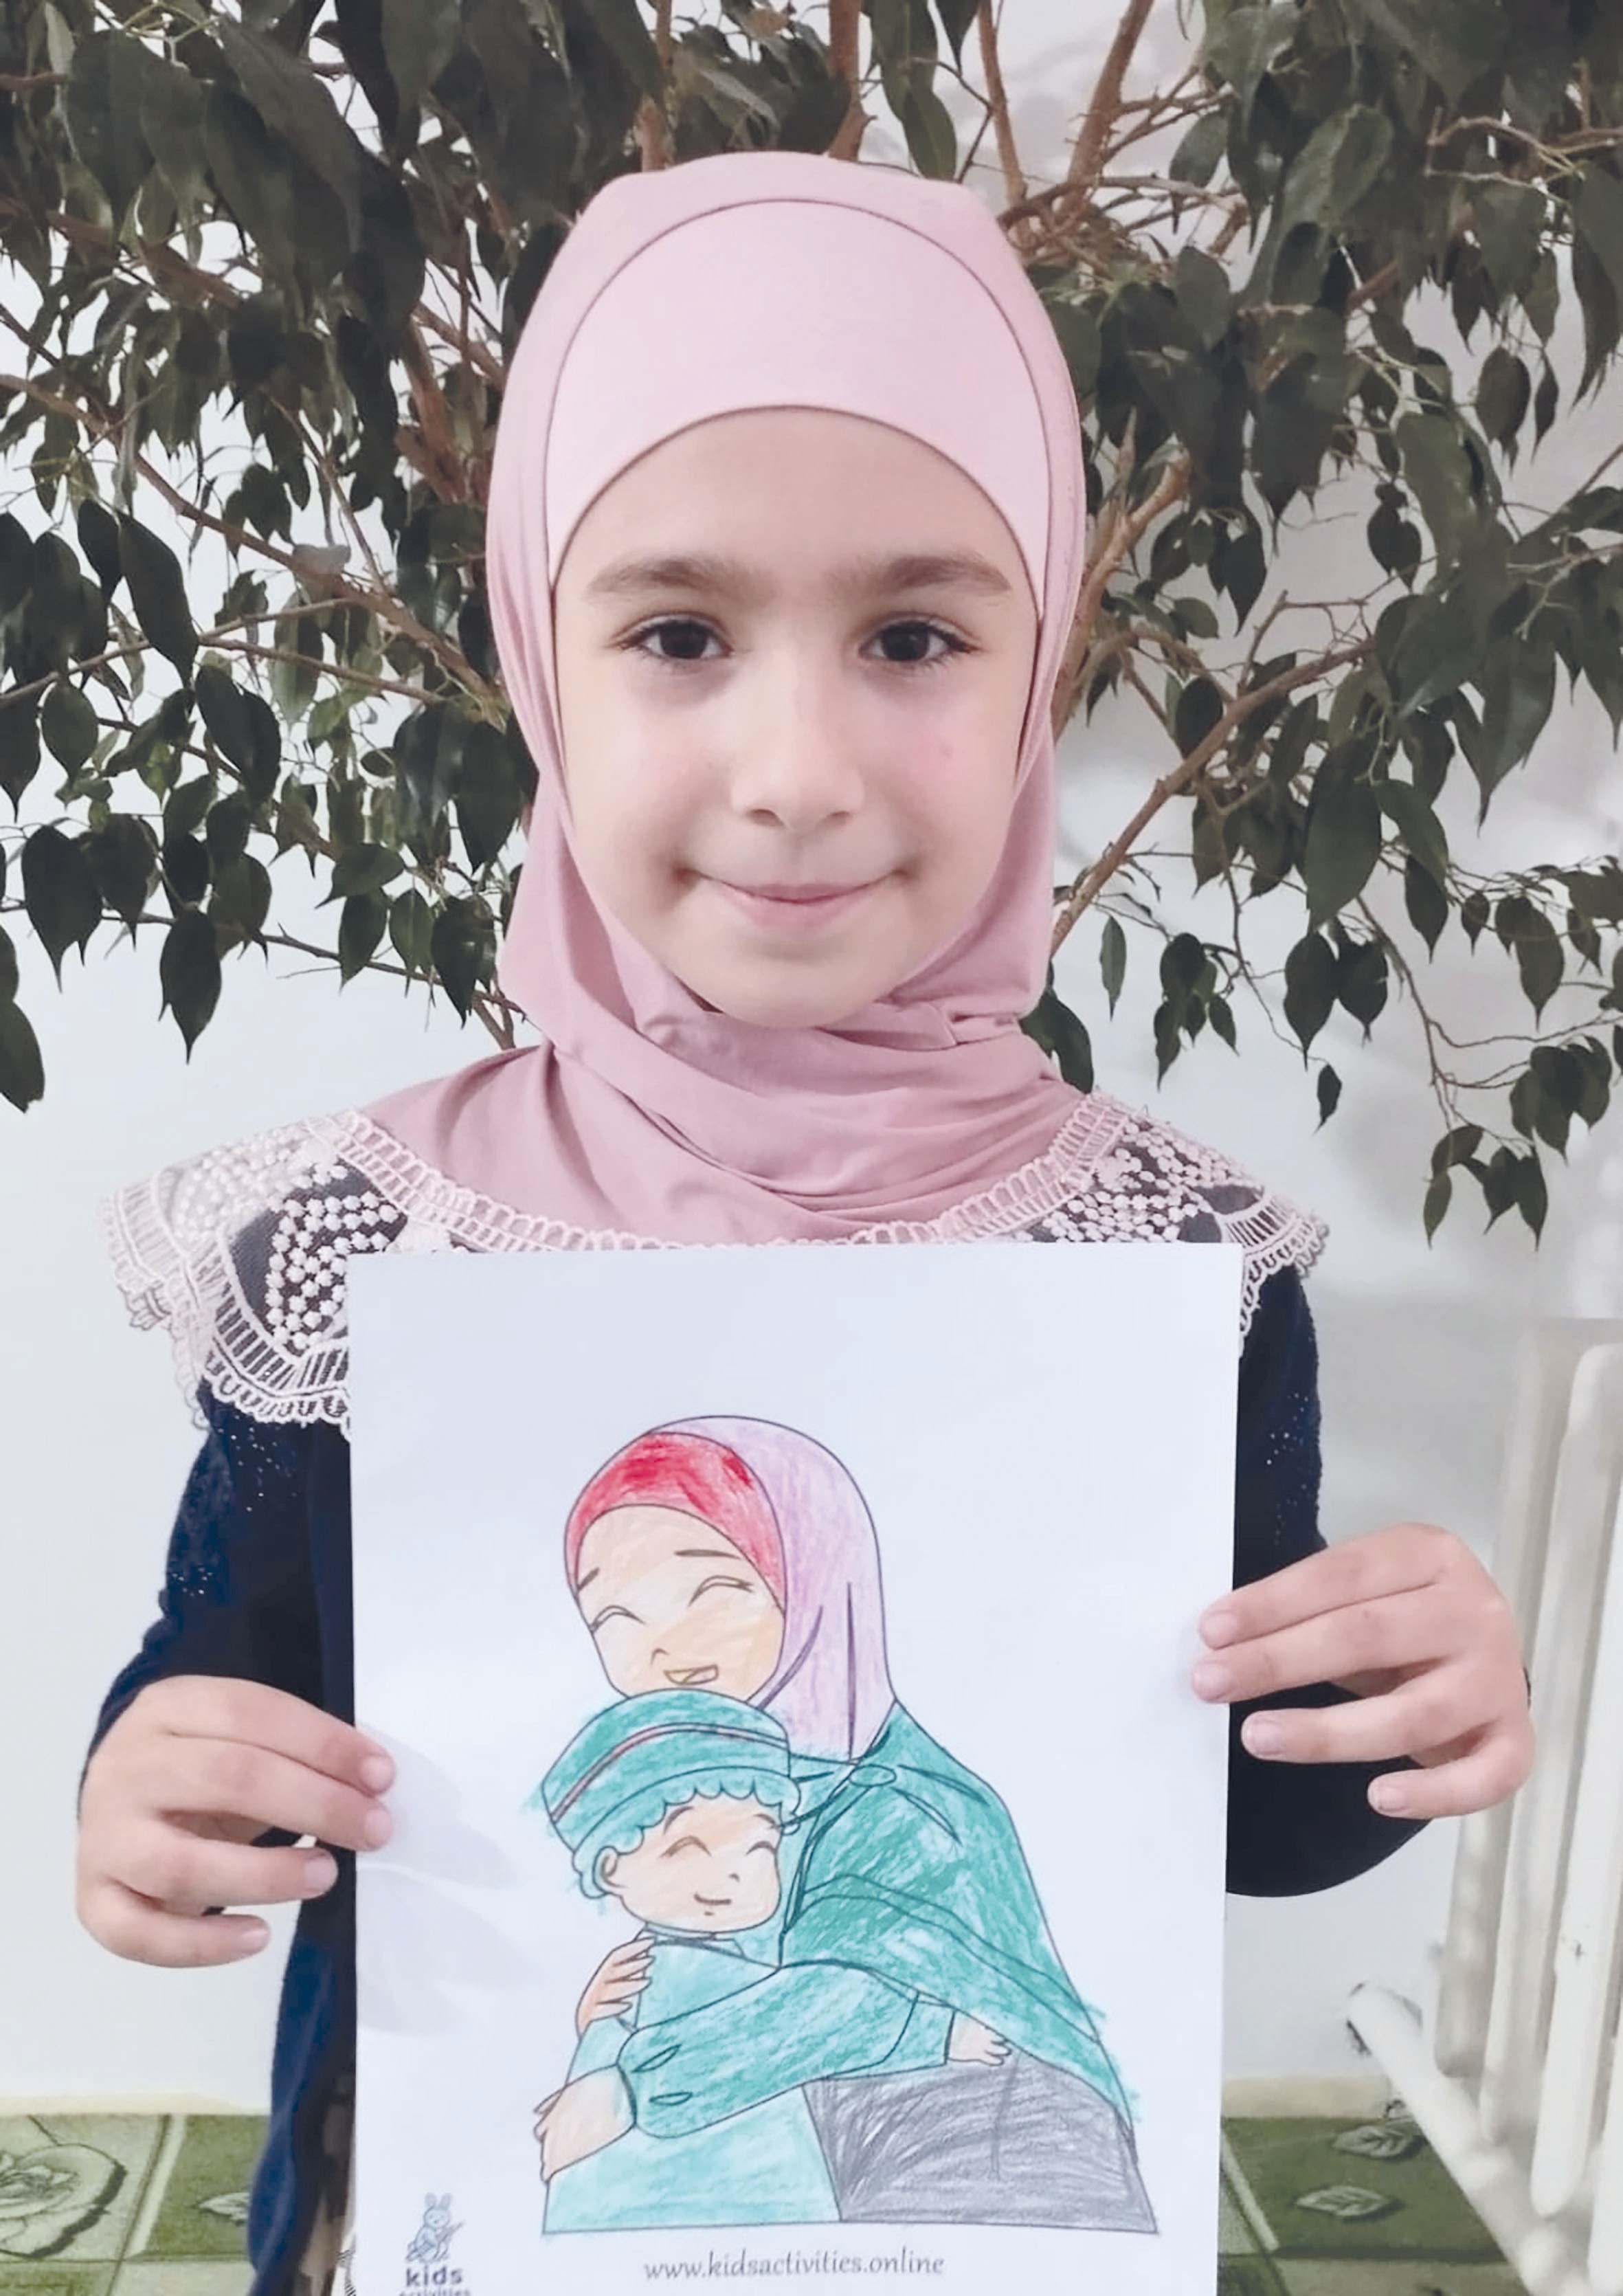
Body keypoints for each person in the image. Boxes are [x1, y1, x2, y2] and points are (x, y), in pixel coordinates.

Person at [72, 147, 1534, 2296]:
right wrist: (159, 1787)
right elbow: (230, 1672)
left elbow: (1216, 1815)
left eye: (913, 636)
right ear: (541, 660)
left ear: (1036, 664)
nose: (796, 767)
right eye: (677, 633)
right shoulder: (366, 1250)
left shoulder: (1160, 1272)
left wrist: (1389, 1711)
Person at [540, 1418, 1157, 2234]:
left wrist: (628, 2089)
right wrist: (617, 2010)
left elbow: (844, 2000)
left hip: (994, 2160)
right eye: (614, 1616)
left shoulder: (906, 1800)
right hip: (816, 2158)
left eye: (714, 1590)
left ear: (816, 1577)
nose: (668, 1648)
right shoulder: (717, 1782)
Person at [532, 1688, 842, 2232]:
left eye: (759, 1849)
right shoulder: (682, 1969)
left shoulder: (641, 1968)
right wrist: (945, 2033)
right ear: (610, 1867)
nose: (732, 1873)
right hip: (724, 2203)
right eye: (686, 1849)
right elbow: (825, 2021)